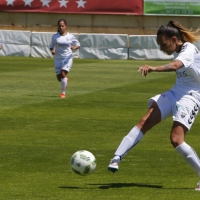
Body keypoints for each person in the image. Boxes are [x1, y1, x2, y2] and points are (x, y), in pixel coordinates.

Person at [108, 20, 200, 190]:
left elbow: (175, 66)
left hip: (191, 97)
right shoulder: (179, 48)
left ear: (174, 39)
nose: (161, 48)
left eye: (163, 44)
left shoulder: (189, 50)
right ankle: (116, 158)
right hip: (175, 93)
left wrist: (153, 68)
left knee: (176, 139)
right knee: (144, 121)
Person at [50, 19, 80, 98]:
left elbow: (78, 44)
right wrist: (52, 51)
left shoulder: (70, 36)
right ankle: (65, 80)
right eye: (59, 26)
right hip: (57, 58)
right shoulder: (55, 36)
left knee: (63, 74)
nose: (61, 27)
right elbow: (51, 46)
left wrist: (74, 47)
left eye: (62, 26)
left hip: (67, 57)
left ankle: (63, 93)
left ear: (65, 26)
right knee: (59, 78)